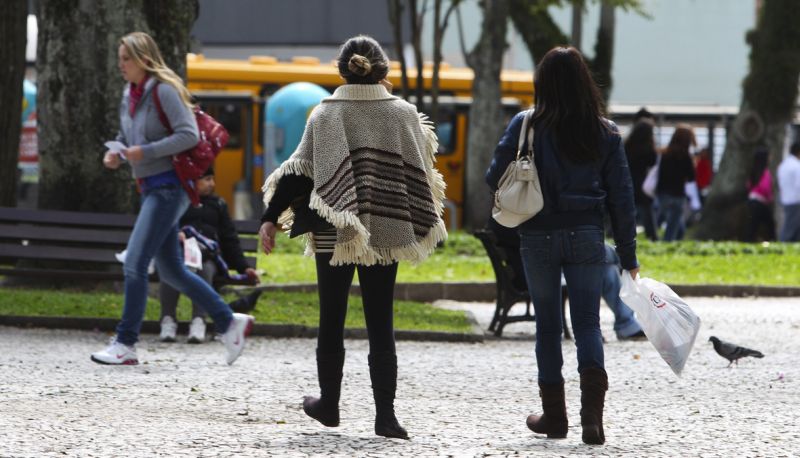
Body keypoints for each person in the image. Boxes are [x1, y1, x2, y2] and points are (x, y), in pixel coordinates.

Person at [259, 35, 446, 440]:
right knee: (382, 320)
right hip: (385, 227)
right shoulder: (403, 113)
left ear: (341, 69)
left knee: (332, 318)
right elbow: (421, 170)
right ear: (382, 69)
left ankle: (329, 405)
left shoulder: (324, 115)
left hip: (333, 231)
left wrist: (270, 217)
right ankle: (386, 417)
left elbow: (299, 172)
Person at [486, 47, 639, 445]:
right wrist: (628, 256)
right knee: (588, 323)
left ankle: (555, 417)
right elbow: (622, 197)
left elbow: (492, 176)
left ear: (542, 85)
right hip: (587, 234)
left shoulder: (526, 124)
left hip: (536, 235)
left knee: (549, 326)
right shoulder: (605, 132)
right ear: (584, 83)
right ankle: (593, 421)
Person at [92, 32, 254, 366]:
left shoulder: (164, 90)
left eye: (126, 58)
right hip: (150, 186)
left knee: (135, 262)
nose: (120, 64)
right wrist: (119, 151)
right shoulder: (130, 93)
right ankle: (229, 322)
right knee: (172, 271)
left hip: (170, 187)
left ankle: (125, 343)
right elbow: (129, 134)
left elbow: (188, 135)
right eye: (120, 58)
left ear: (143, 60)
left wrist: (144, 151)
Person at [487, 220, 645, 340]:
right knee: (602, 258)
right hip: (537, 272)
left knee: (606, 268)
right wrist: (627, 257)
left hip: (533, 268)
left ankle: (626, 323)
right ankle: (625, 323)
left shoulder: (506, 216)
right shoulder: (521, 218)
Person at [158, 166, 261, 343]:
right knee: (170, 269)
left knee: (204, 269)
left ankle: (198, 320)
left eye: (212, 179)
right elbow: (164, 226)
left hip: (208, 257)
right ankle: (168, 320)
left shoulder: (218, 205)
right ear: (193, 181)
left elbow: (229, 239)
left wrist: (244, 267)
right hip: (180, 254)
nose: (212, 184)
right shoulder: (179, 202)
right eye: (207, 179)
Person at [656, 125, 697, 241]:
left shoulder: (664, 154)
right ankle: (666, 243)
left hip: (663, 193)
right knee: (673, 225)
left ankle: (653, 238)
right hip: (678, 194)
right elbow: (691, 178)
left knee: (661, 219)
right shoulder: (687, 157)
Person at [625, 121, 659, 241]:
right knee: (647, 211)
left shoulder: (627, 145)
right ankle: (652, 236)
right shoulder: (648, 148)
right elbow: (653, 162)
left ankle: (616, 232)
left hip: (628, 181)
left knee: (626, 210)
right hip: (643, 183)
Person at [744, 147, 775, 242]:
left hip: (752, 200)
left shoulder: (754, 171)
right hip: (760, 202)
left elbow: (748, 185)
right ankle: (772, 239)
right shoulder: (765, 172)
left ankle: (749, 240)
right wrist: (770, 198)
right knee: (769, 224)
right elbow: (765, 188)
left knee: (753, 224)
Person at [778, 142, 800, 242]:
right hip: (796, 200)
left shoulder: (784, 165)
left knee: (792, 225)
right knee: (790, 228)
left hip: (786, 199)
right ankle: (783, 244)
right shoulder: (796, 166)